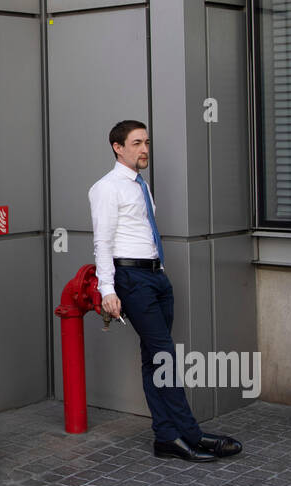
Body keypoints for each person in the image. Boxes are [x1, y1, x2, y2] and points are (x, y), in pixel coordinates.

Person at [88, 120, 243, 462]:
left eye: (147, 142)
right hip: (132, 280)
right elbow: (103, 242)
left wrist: (161, 271)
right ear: (118, 147)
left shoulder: (140, 185)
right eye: (137, 143)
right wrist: (107, 290)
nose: (145, 149)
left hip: (156, 277)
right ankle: (191, 433)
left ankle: (166, 437)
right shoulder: (107, 188)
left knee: (153, 359)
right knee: (164, 357)